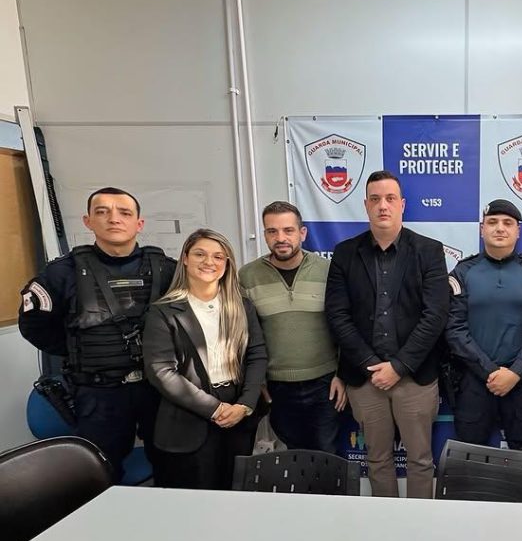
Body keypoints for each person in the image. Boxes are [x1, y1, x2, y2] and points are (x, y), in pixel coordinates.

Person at [18, 186, 176, 479]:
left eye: (124, 213)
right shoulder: (61, 273)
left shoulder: (168, 270)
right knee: (100, 472)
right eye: (102, 212)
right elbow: (34, 326)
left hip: (159, 389)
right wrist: (81, 349)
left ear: (139, 223)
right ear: (88, 221)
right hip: (99, 393)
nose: (114, 219)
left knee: (173, 465)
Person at [325, 171, 449, 498]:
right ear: (365, 205)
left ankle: (419, 522)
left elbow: (435, 315)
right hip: (364, 378)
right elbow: (337, 315)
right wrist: (369, 363)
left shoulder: (429, 250)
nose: (383, 206)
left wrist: (399, 366)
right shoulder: (345, 253)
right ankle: (386, 524)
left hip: (414, 376)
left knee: (420, 460)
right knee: (377, 460)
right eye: (375, 199)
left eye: (390, 199)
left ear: (402, 205)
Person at [143, 229, 267, 490]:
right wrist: (215, 408)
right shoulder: (163, 311)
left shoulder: (242, 306)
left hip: (238, 413)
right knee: (195, 499)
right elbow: (161, 371)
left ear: (227, 264)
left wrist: (245, 404)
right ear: (185, 258)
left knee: (236, 494)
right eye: (200, 254)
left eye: (218, 257)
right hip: (189, 417)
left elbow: (256, 354)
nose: (209, 262)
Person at [446, 199, 522, 451]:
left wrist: (514, 373)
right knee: (469, 459)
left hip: (521, 382)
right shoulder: (462, 273)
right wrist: (489, 372)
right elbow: (454, 329)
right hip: (474, 382)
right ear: (481, 229)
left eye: (508, 223)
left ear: (518, 231)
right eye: (492, 222)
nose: (500, 228)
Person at [239, 201, 346, 452]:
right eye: (272, 231)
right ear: (265, 235)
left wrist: (343, 375)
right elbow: (243, 335)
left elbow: (344, 326)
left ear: (303, 233)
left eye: (288, 230)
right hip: (277, 387)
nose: (280, 238)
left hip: (325, 383)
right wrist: (256, 380)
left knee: (327, 456)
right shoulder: (247, 276)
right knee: (294, 456)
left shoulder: (328, 271)